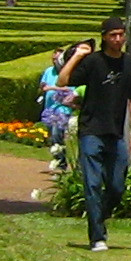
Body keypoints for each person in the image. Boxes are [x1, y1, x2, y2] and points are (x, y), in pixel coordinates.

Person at [60, 20, 131, 252]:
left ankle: (101, 216)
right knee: (93, 183)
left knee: (117, 186)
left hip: (116, 133)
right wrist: (77, 56)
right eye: (113, 35)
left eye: (121, 35)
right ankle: (97, 237)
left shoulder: (130, 65)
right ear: (104, 37)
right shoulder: (93, 62)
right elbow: (63, 80)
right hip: (91, 130)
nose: (118, 39)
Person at [38, 45, 77, 174]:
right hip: (49, 109)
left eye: (57, 59)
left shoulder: (68, 72)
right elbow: (43, 87)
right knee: (53, 137)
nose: (55, 61)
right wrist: (48, 88)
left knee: (56, 133)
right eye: (53, 59)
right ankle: (60, 160)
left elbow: (70, 91)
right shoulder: (49, 71)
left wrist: (53, 88)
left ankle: (61, 164)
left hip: (62, 109)